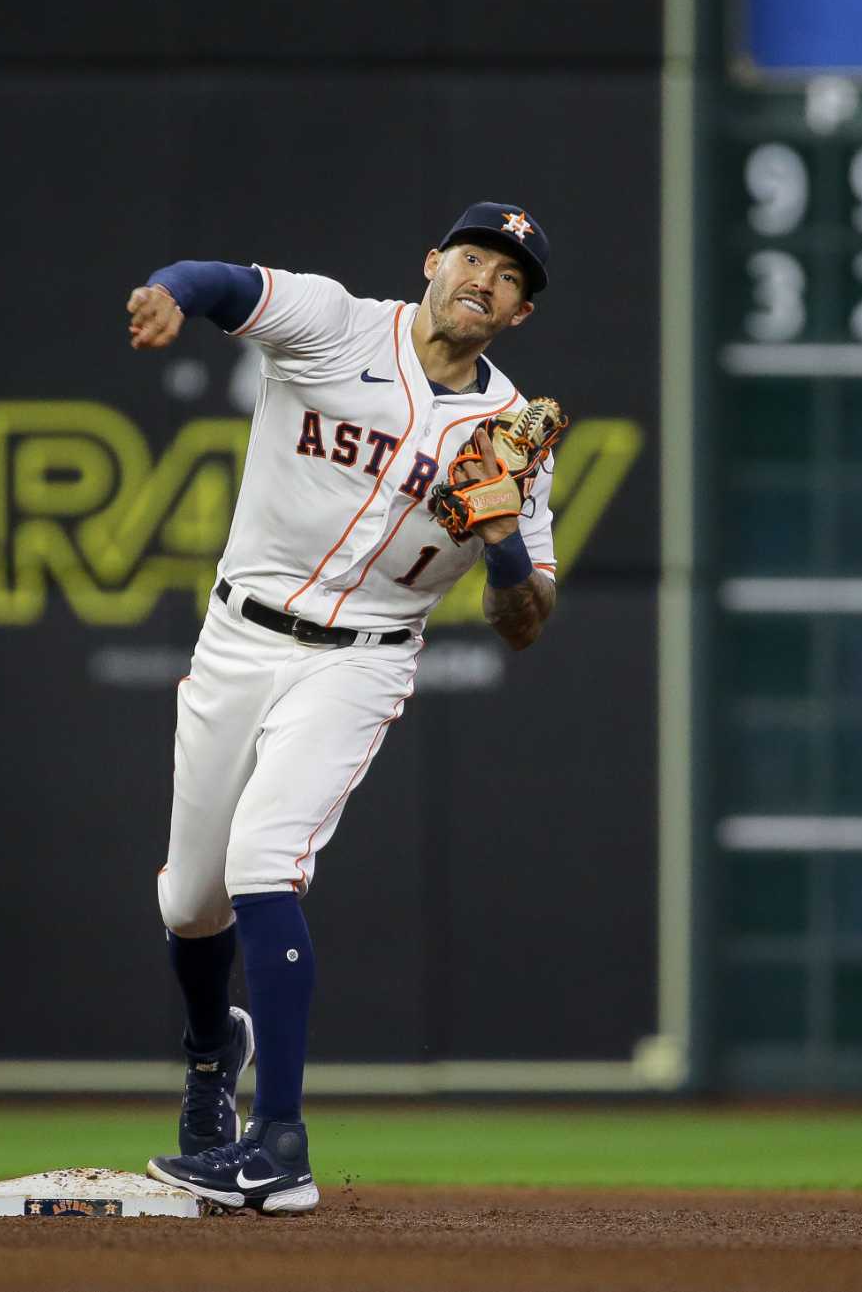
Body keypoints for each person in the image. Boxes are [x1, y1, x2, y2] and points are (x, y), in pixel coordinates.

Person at [125, 203, 565, 1213]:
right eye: (471, 256)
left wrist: (500, 540)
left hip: (360, 659)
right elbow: (223, 278)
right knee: (189, 901)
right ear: (430, 261)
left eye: (509, 276)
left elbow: (524, 620)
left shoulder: (509, 440)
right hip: (238, 633)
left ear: (519, 314)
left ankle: (277, 1142)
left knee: (262, 861)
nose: (484, 277)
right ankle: (209, 1057)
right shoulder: (335, 323)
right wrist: (169, 293)